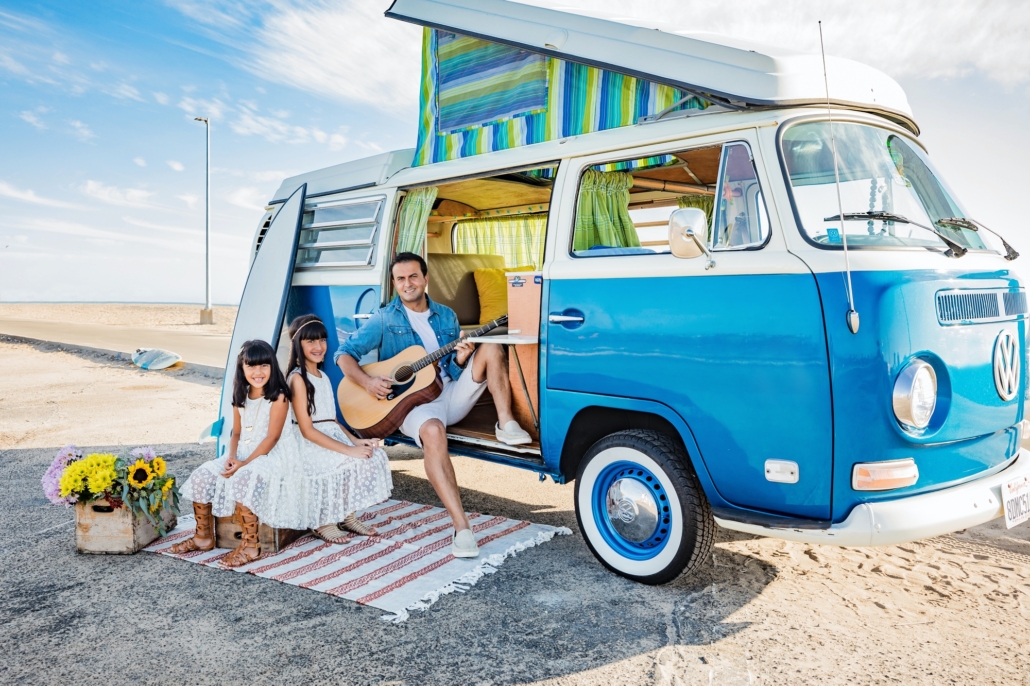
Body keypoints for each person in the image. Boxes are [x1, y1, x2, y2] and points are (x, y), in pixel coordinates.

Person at [335, 252, 532, 559]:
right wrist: (367, 382)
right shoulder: (386, 318)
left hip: (448, 392)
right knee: (434, 433)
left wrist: (462, 357)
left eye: (413, 276)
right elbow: (344, 354)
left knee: (491, 347)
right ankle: (462, 527)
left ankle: (506, 423)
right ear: (394, 283)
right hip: (411, 405)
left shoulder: (446, 315)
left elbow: (452, 368)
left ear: (426, 279)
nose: (407, 284)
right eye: (400, 279)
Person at [174, 339, 302, 567]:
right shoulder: (241, 395)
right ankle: (203, 537)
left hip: (271, 455)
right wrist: (231, 458)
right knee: (203, 474)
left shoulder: (279, 396)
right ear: (242, 369)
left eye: (264, 365)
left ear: (272, 366)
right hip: (242, 452)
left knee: (244, 478)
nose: (258, 372)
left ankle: (251, 546)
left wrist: (243, 465)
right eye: (251, 366)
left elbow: (271, 438)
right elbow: (235, 433)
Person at [287, 315, 393, 543]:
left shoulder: (323, 376)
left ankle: (346, 515)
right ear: (298, 345)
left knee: (372, 456)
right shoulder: (297, 379)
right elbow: (307, 430)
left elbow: (331, 420)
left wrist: (355, 442)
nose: (319, 347)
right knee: (348, 461)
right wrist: (348, 451)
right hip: (309, 443)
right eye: (311, 341)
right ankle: (323, 520)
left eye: (322, 340)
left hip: (328, 434)